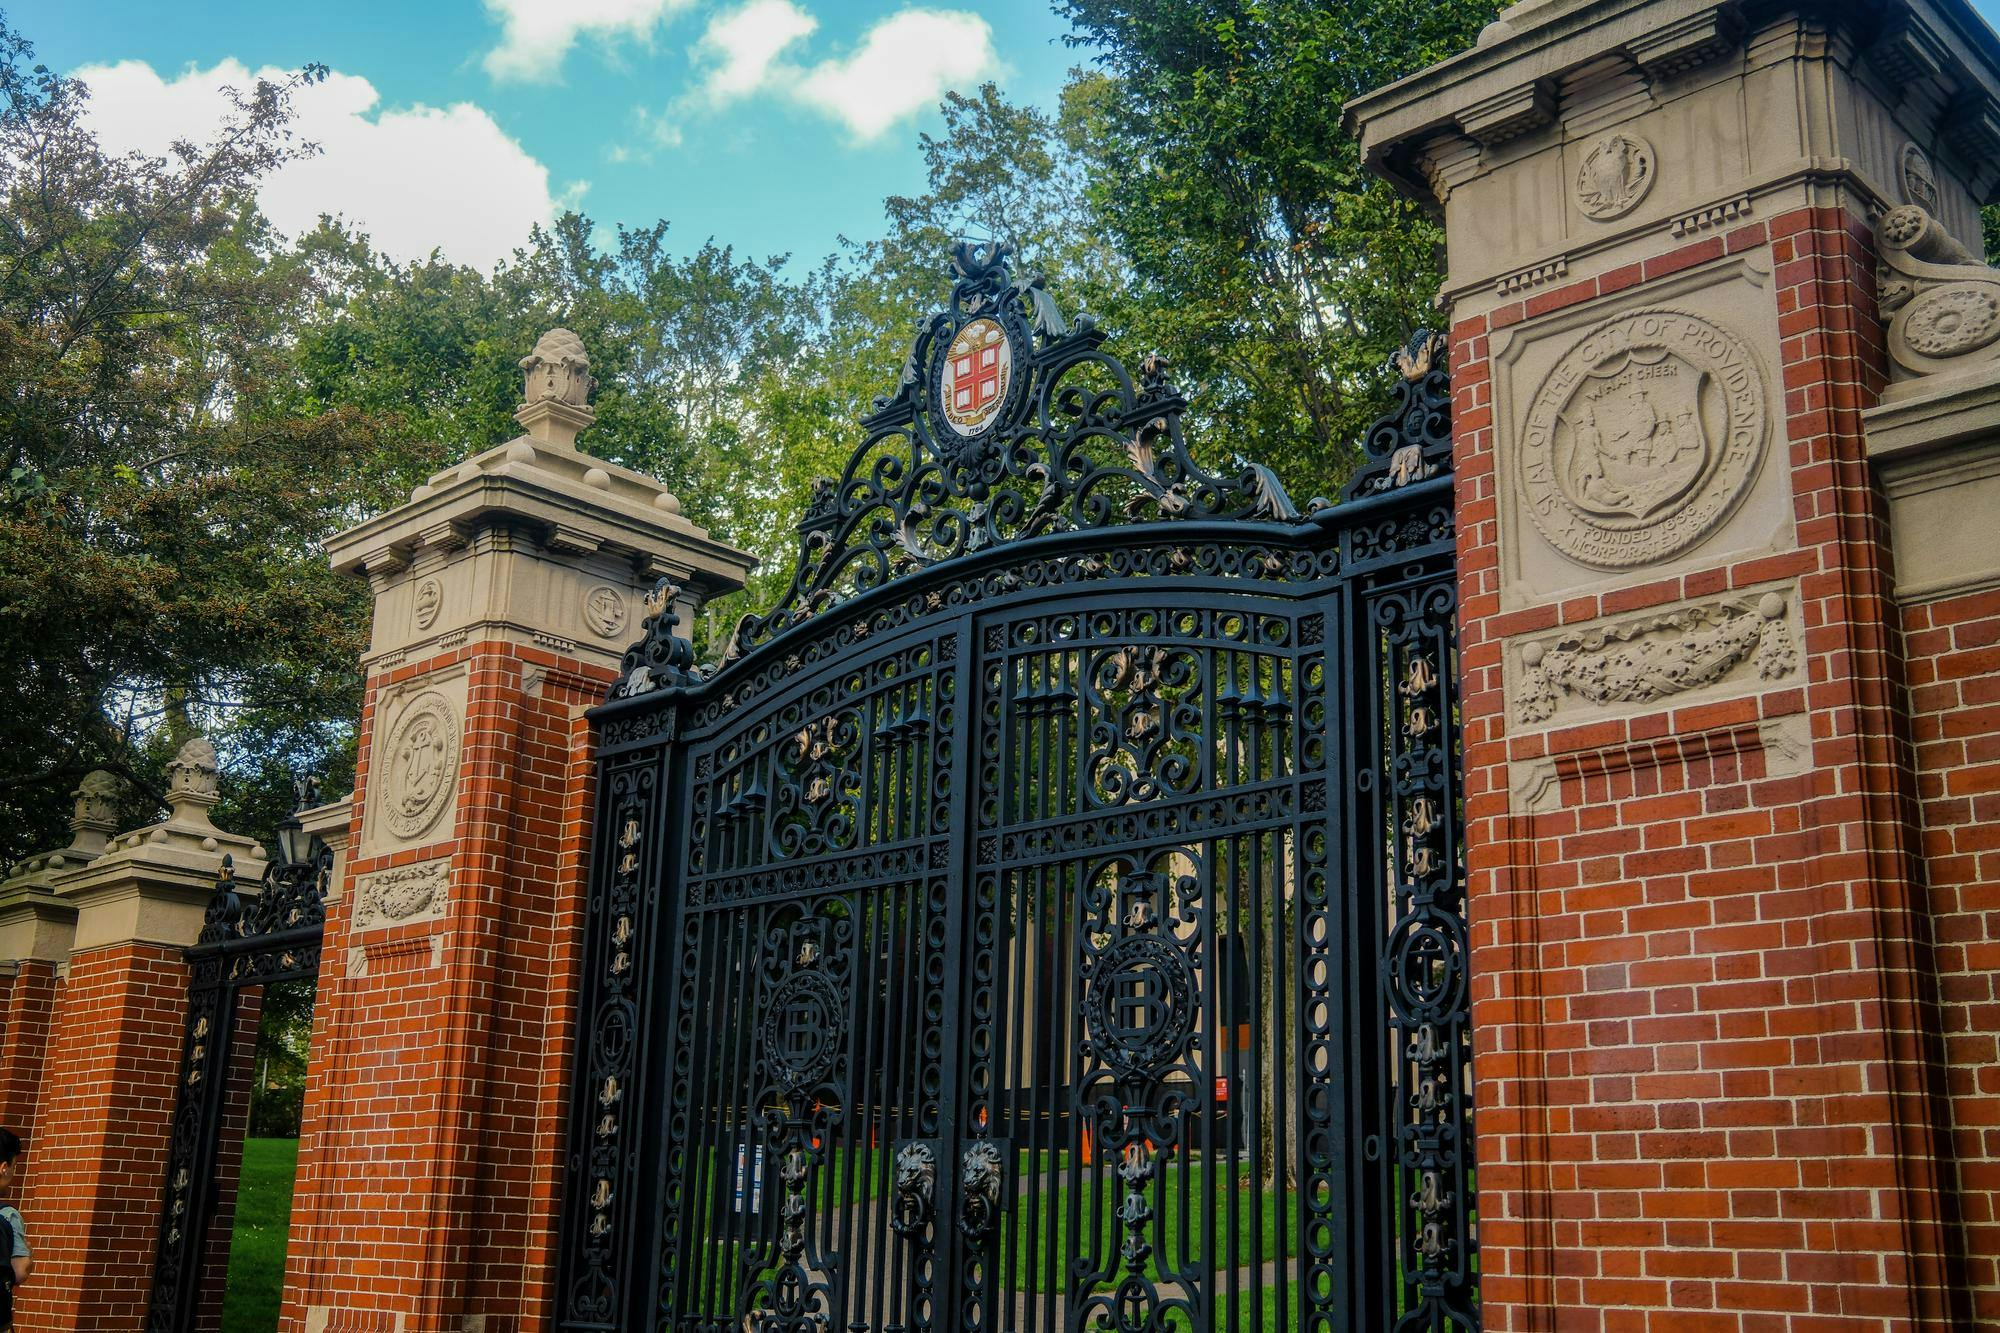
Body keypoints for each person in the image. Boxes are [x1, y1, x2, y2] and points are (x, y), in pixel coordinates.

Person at [0, 1128, 29, 1330]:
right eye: (14, 1166)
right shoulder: (7, 1215)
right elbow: (20, 1271)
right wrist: (29, 1252)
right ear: (4, 1167)